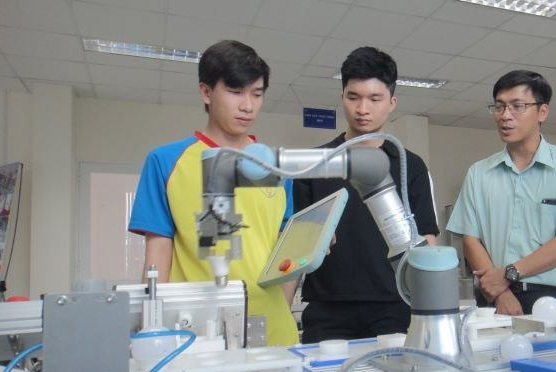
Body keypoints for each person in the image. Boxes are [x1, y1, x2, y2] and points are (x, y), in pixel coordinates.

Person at [128, 40, 298, 346]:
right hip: (195, 333)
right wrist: (150, 328)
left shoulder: (278, 167)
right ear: (206, 92)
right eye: (236, 92)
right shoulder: (166, 162)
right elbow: (158, 256)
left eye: (257, 94)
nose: (248, 105)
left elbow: (285, 253)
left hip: (272, 331)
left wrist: (280, 310)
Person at [294, 47, 439, 343]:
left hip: (393, 305)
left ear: (391, 102)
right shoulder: (315, 163)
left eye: (374, 99)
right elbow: (295, 244)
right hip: (328, 309)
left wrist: (429, 305)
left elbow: (427, 238)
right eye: (353, 97)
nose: (363, 109)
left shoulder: (409, 165)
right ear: (342, 97)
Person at [446, 70, 556, 316]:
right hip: (494, 299)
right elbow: (470, 239)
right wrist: (501, 293)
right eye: (499, 107)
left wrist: (510, 273)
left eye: (517, 106)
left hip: (555, 298)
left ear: (542, 112)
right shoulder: (479, 173)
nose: (505, 116)